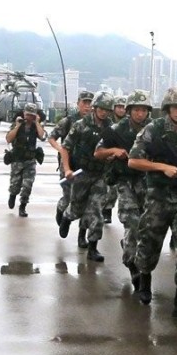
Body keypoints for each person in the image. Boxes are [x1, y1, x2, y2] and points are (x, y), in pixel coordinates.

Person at [127, 87, 177, 312]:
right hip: (158, 197)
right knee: (149, 242)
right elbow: (133, 161)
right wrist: (162, 167)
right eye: (176, 107)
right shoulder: (154, 129)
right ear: (168, 108)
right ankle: (144, 280)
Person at [95, 89, 152, 289]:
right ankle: (133, 265)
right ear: (129, 110)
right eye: (136, 110)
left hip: (147, 183)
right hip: (125, 182)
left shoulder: (154, 129)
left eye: (144, 110)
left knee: (147, 228)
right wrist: (115, 151)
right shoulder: (117, 130)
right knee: (132, 223)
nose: (140, 114)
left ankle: (130, 247)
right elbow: (98, 152)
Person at [59, 91, 114, 262]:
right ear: (95, 108)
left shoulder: (111, 128)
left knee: (96, 209)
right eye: (101, 108)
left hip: (100, 174)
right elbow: (66, 148)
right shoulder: (80, 125)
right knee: (77, 208)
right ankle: (67, 217)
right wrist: (67, 169)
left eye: (107, 109)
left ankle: (93, 247)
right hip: (82, 173)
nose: (103, 112)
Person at [52, 90, 93, 236]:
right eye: (84, 103)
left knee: (87, 201)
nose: (87, 107)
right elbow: (52, 137)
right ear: (78, 104)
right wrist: (60, 149)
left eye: (90, 103)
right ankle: (61, 209)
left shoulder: (96, 123)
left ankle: (82, 235)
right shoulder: (68, 121)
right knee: (69, 196)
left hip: (86, 167)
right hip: (67, 165)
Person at [4, 102, 46, 217]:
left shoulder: (35, 126)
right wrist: (17, 126)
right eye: (28, 115)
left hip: (30, 160)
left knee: (28, 185)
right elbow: (8, 139)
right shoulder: (18, 125)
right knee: (15, 185)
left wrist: (37, 122)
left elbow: (42, 137)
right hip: (17, 160)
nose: (29, 118)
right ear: (24, 114)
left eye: (32, 115)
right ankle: (12, 195)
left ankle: (23, 206)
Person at [100, 95, 129, 223]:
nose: (121, 110)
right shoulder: (108, 123)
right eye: (119, 107)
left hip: (124, 161)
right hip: (108, 161)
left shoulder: (130, 123)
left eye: (123, 107)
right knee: (109, 188)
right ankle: (106, 211)